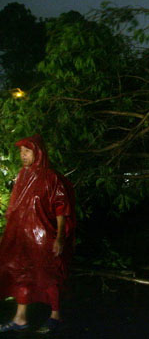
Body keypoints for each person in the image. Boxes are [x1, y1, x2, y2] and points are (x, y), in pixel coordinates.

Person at [0, 135, 76, 334]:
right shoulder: (22, 175)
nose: (23, 155)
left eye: (27, 151)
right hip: (22, 237)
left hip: (43, 237)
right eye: (21, 152)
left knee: (49, 276)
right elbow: (15, 208)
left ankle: (55, 316)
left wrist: (59, 238)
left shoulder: (51, 177)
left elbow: (61, 209)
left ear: (38, 153)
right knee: (22, 275)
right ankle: (20, 318)